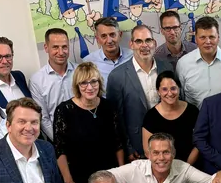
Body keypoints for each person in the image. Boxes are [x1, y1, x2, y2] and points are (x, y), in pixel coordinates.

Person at [54, 62, 125, 183]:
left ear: (99, 83)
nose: (90, 87)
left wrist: (121, 176)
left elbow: (118, 143)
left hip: (108, 175)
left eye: (94, 81)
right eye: (84, 83)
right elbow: (60, 150)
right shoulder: (64, 110)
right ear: (77, 85)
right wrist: (68, 182)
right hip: (79, 179)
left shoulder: (109, 107)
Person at [107, 25, 172, 161]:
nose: (144, 45)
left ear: (154, 43)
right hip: (137, 148)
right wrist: (128, 148)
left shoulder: (167, 67)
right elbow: (116, 119)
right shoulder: (117, 76)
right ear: (131, 44)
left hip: (167, 142)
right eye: (139, 41)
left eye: (148, 40)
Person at [175, 16, 221, 107]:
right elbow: (180, 98)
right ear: (196, 39)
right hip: (195, 115)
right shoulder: (183, 64)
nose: (207, 42)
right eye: (202, 37)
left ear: (218, 38)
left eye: (212, 37)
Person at [142, 71, 200, 164]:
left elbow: (200, 142)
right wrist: (167, 167)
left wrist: (186, 166)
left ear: (179, 89)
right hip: (162, 166)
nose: (170, 93)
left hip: (192, 165)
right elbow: (147, 150)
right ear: (158, 92)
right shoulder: (151, 117)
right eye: (164, 89)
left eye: (173, 88)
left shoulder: (193, 111)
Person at [29, 28, 76, 141]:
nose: (61, 52)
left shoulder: (80, 72)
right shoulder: (37, 80)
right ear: (46, 48)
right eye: (55, 47)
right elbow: (43, 118)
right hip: (57, 139)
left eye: (64, 47)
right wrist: (60, 142)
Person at [84, 17, 134, 84]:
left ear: (120, 35)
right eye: (104, 36)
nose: (109, 41)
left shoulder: (133, 57)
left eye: (112, 35)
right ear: (97, 39)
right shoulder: (88, 63)